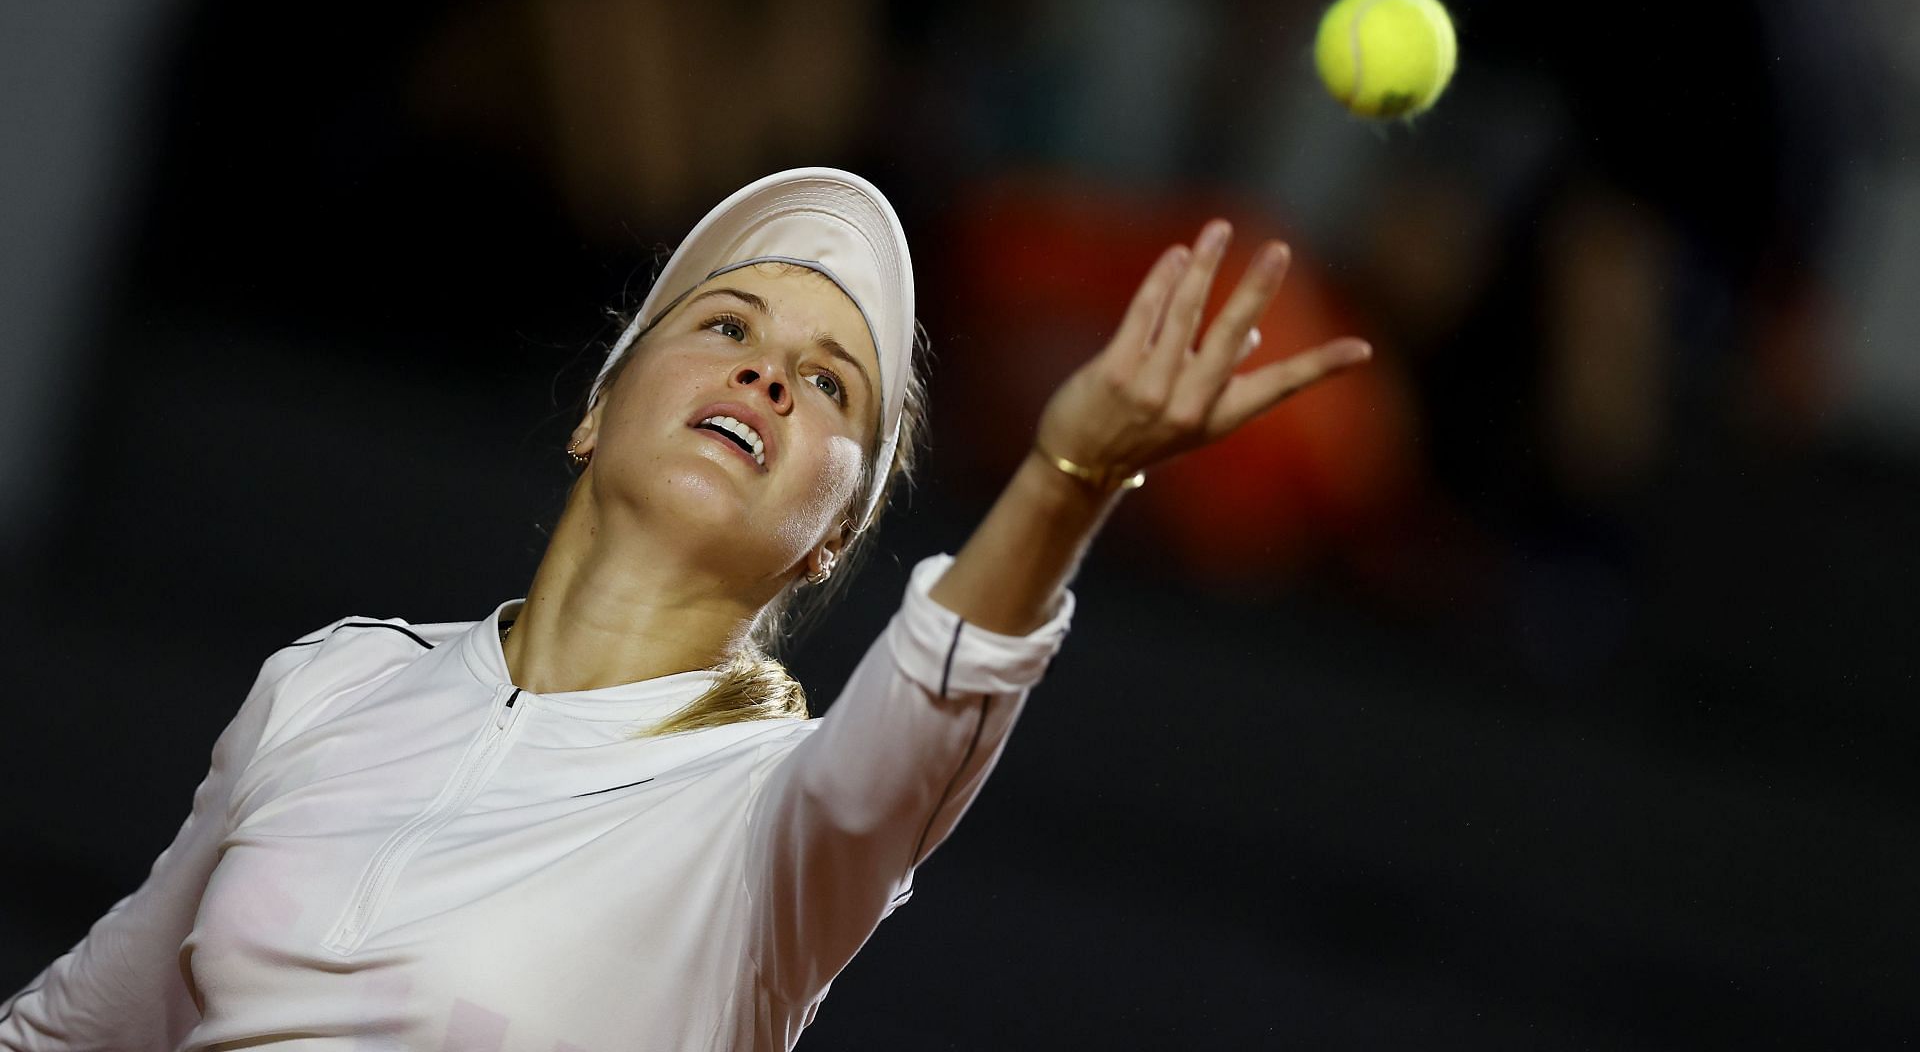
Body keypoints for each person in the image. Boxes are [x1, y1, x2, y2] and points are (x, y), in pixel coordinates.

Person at [1, 167, 1371, 1050]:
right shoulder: (331, 686)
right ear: (600, 406)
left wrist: (1071, 476)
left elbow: (939, 688)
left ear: (836, 534)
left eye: (832, 384)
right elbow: (71, 1036)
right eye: (727, 328)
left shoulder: (777, 822)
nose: (771, 375)